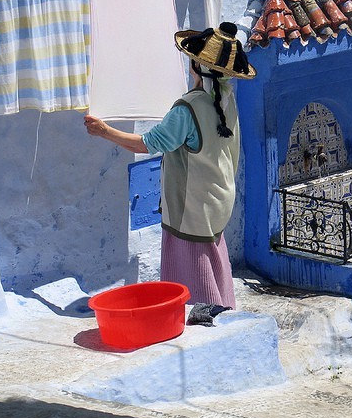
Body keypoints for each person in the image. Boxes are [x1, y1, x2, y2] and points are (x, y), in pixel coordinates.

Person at [84, 22, 256, 309]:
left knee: (192, 271)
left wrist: (105, 132)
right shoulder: (227, 101)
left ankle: (202, 320)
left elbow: (148, 144)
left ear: (196, 67)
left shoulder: (187, 108)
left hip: (192, 206)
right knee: (214, 261)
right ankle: (223, 310)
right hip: (218, 200)